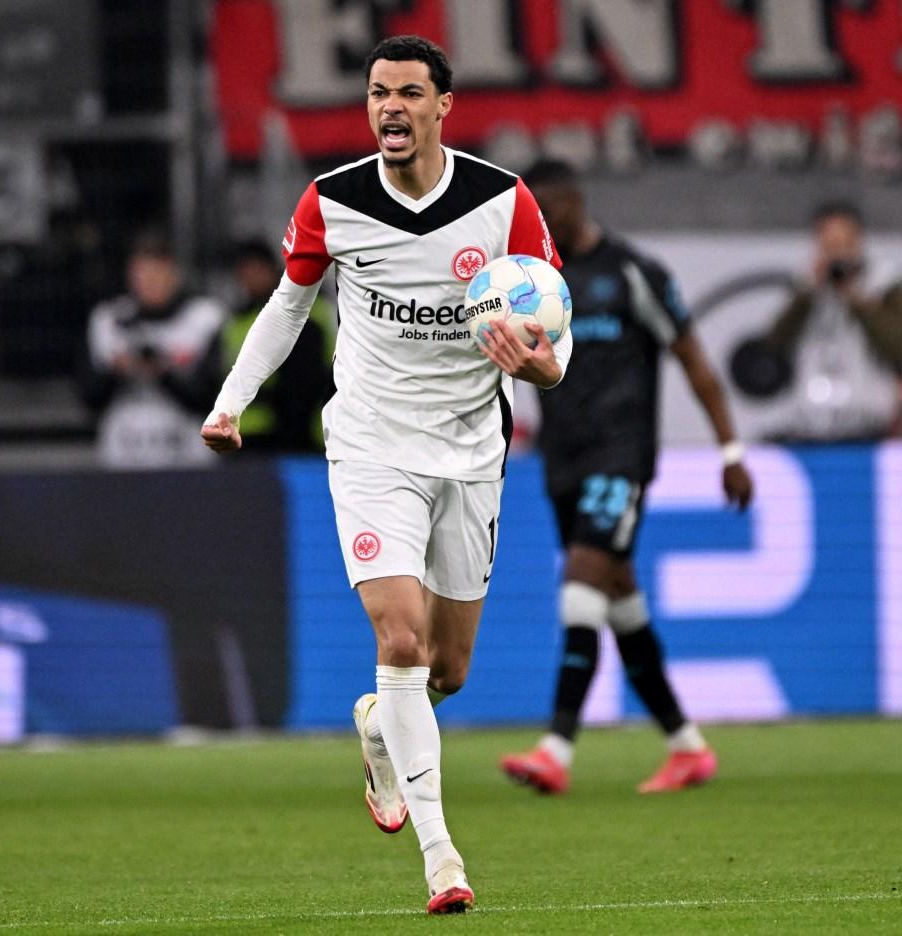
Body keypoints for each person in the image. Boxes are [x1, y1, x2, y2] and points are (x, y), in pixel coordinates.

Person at [201, 35, 571, 913]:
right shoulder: (333, 202)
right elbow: (287, 308)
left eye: (409, 92)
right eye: (378, 94)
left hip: (474, 450)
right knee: (397, 638)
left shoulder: (503, 203)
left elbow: (553, 342)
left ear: (444, 106)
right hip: (370, 445)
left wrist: (538, 369)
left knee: (447, 670)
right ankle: (443, 857)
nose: (391, 107)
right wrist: (228, 401)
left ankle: (379, 727)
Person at [499, 160, 754, 796]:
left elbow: (692, 356)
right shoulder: (534, 281)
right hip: (562, 457)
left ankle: (556, 747)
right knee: (619, 602)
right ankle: (687, 746)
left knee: (583, 583)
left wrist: (730, 450)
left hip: (622, 455)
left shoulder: (633, 272)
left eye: (547, 205)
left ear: (575, 198)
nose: (541, 219)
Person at [758, 201, 902, 441]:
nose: (837, 254)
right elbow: (772, 346)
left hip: (871, 425)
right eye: (829, 245)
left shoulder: (884, 285)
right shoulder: (807, 287)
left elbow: (897, 346)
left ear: (859, 242)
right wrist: (807, 293)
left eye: (844, 244)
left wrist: (857, 301)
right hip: (810, 424)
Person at [83, 229, 226, 468]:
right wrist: (119, 371)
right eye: (141, 274)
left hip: (187, 456)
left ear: (174, 274)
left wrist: (162, 372)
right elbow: (90, 397)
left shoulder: (205, 319)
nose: (149, 282)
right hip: (123, 457)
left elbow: (210, 397)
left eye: (157, 273)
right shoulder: (108, 321)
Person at [221, 240, 334, 453]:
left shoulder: (307, 311)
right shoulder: (237, 320)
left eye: (256, 270)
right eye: (244, 271)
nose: (250, 278)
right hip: (248, 436)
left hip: (302, 437)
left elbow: (306, 382)